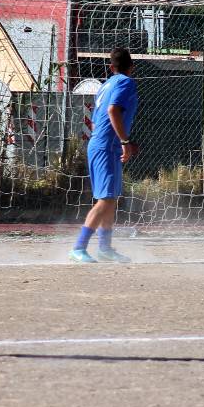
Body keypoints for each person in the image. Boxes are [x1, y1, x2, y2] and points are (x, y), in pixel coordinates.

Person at [70, 47, 139, 263]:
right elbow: (112, 110)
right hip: (106, 147)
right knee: (105, 200)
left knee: (111, 199)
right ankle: (78, 248)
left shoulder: (105, 85)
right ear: (131, 67)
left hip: (102, 145)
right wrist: (125, 141)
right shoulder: (125, 82)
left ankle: (105, 248)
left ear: (111, 67)